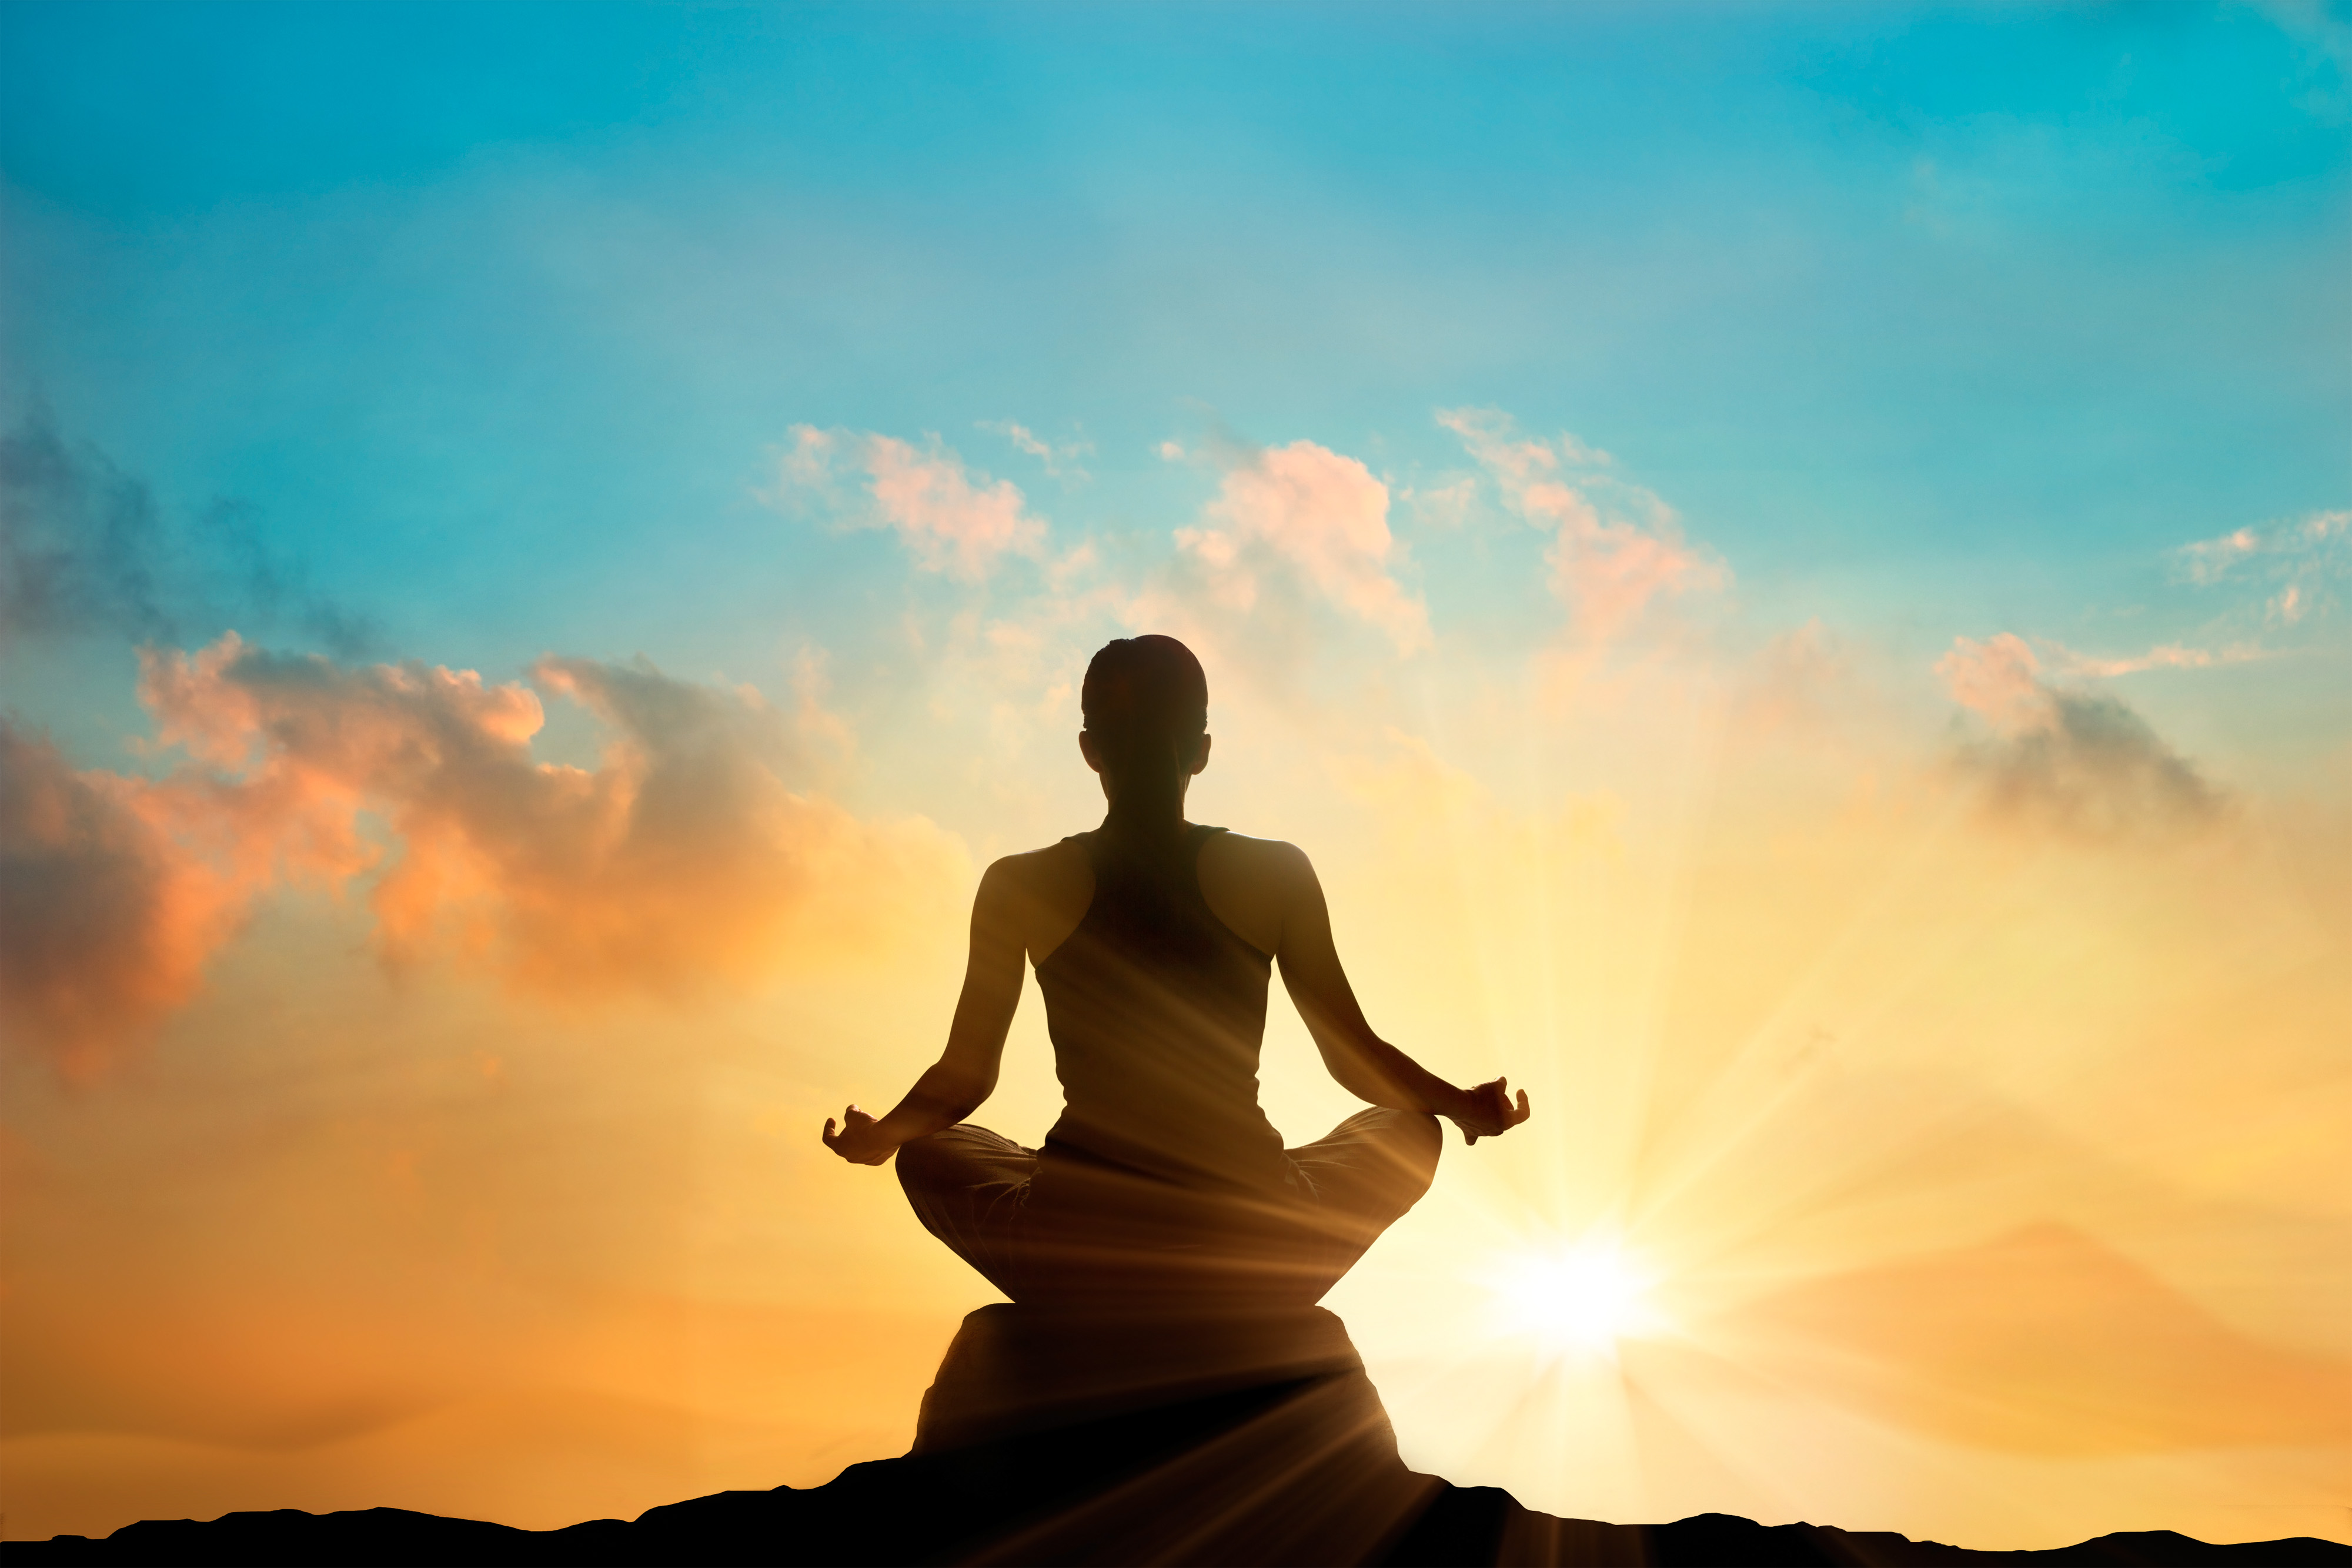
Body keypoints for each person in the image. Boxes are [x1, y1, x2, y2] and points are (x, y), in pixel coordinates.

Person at [822, 635, 1531, 1309]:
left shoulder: (1018, 883)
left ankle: (1095, 1285)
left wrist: (884, 1134)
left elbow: (965, 1078)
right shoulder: (1275, 871)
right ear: (1201, 751)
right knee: (1409, 1131)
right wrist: (1461, 1105)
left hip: (1076, 1239)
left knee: (926, 1150)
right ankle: (1255, 1285)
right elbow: (1354, 1058)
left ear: (1090, 751)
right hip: (1254, 1235)